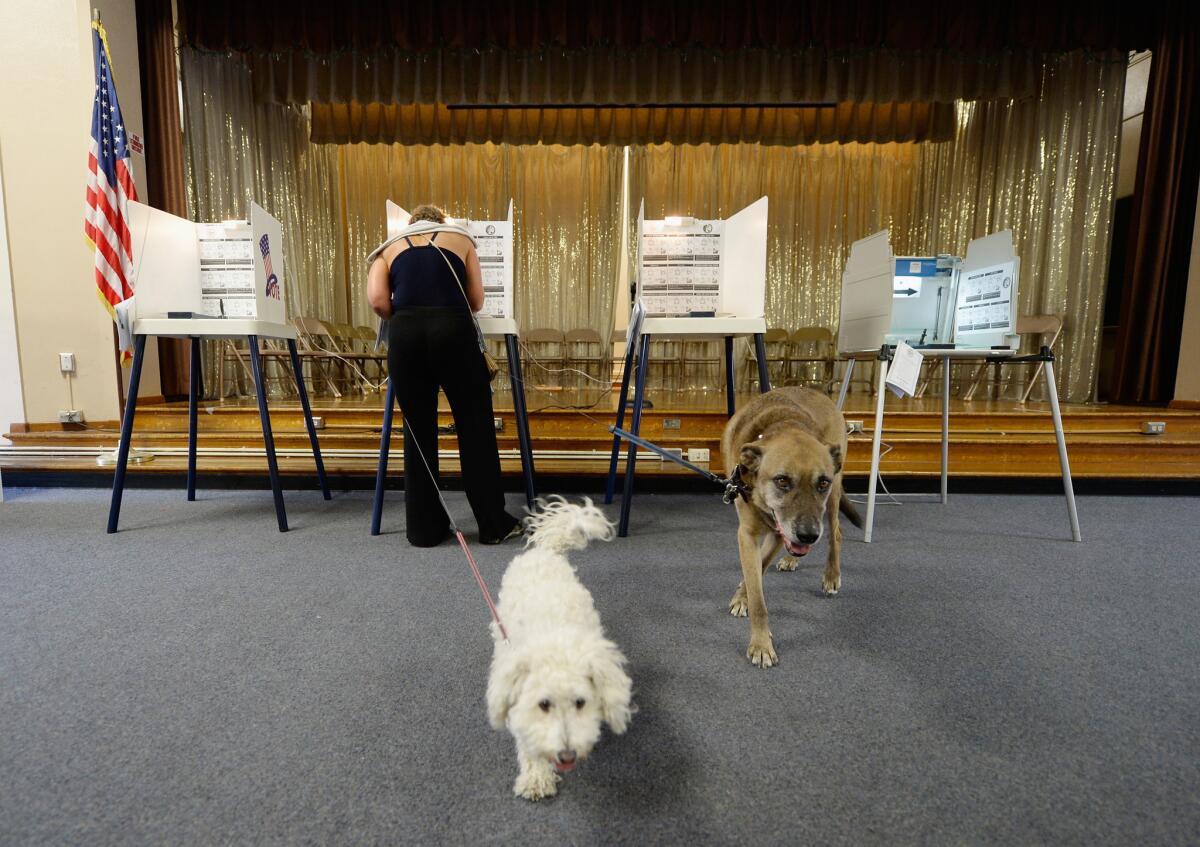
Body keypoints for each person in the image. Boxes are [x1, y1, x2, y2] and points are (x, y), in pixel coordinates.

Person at [367, 205, 523, 547]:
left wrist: (408, 316)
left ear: (410, 224)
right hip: (453, 331)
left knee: (418, 434)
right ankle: (493, 525)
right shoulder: (461, 239)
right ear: (440, 220)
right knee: (475, 427)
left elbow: (378, 301)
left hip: (406, 335)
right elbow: (477, 300)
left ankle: (424, 531)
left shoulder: (387, 247)